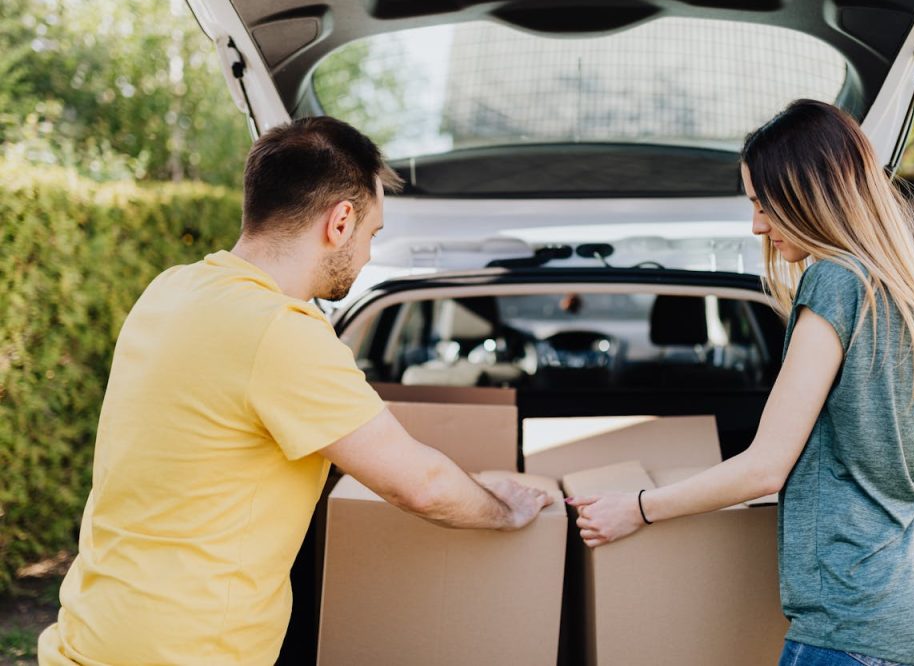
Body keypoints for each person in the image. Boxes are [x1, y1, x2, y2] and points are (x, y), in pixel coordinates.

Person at [38, 117, 552, 665]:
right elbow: (420, 487)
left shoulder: (172, 289)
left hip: (91, 631)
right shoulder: (280, 332)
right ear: (340, 221)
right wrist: (506, 511)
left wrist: (468, 483)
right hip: (186, 651)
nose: (369, 254)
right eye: (373, 234)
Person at [567, 100, 914, 666]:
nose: (757, 224)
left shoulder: (834, 281)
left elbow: (766, 464)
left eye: (765, 204)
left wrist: (636, 508)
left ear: (811, 194)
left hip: (854, 630)